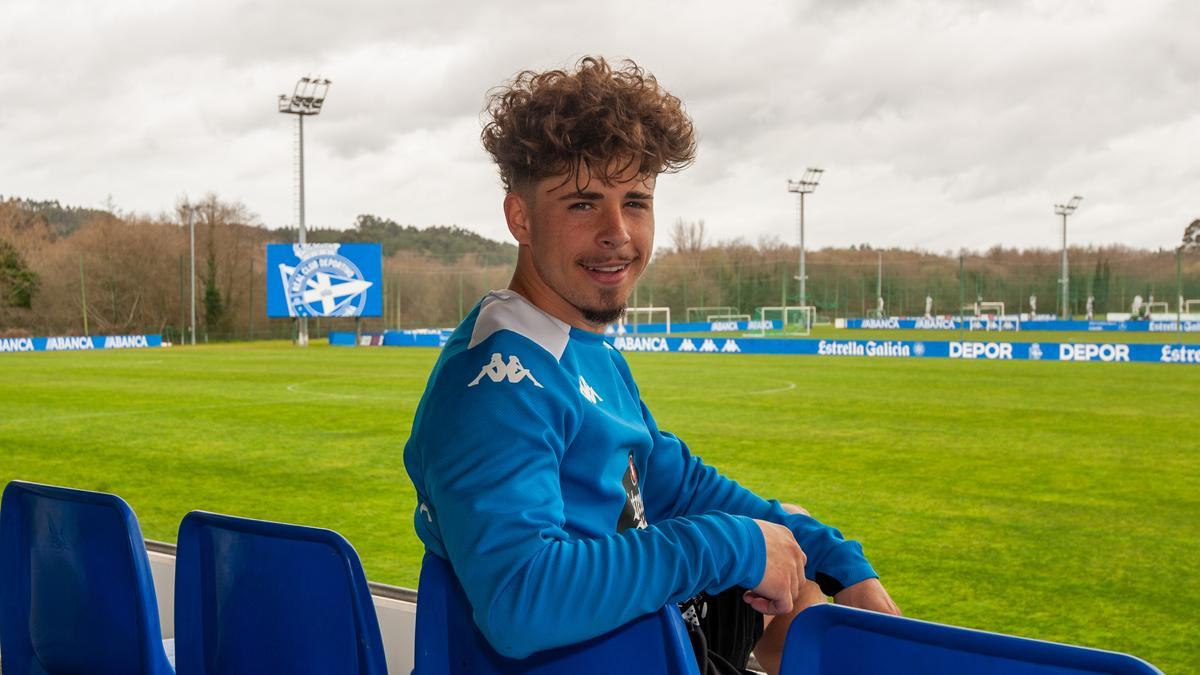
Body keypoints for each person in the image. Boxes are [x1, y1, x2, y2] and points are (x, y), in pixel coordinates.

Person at [403, 56, 899, 674]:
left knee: (793, 539)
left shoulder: (580, 345)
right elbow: (519, 600)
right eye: (584, 204)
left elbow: (677, 483)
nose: (618, 232)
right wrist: (729, 544)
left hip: (645, 633)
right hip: (597, 653)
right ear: (520, 218)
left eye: (635, 201)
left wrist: (841, 562)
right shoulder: (498, 381)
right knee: (767, 557)